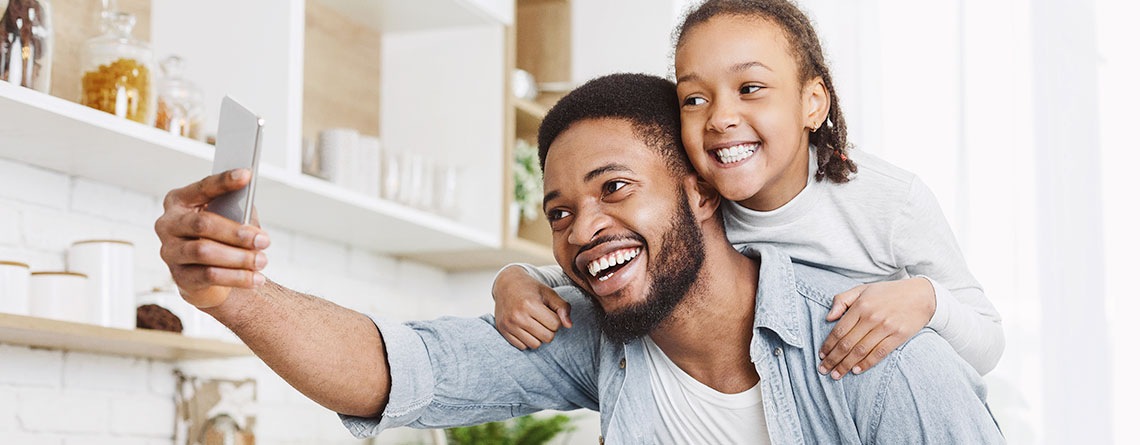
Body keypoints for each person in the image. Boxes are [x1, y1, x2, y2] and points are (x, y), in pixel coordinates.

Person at [155, 72, 1003, 443]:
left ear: (703, 190)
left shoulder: (876, 354)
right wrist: (237, 297)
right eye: (560, 210)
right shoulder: (601, 333)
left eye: (614, 189)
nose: (581, 225)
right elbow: (399, 370)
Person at [492, 0, 1004, 380]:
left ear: (812, 103)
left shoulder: (889, 201)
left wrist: (925, 300)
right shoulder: (699, 207)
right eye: (694, 98)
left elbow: (987, 343)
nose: (720, 118)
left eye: (750, 88)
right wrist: (513, 279)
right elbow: (607, 259)